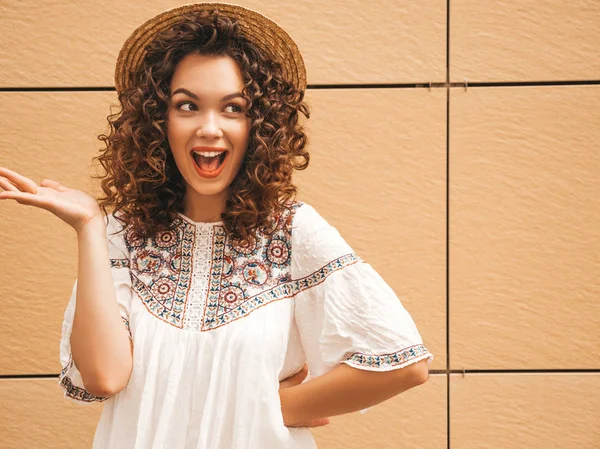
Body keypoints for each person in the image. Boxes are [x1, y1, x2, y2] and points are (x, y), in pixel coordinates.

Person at [0, 3, 433, 448]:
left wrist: (266, 409)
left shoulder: (294, 230)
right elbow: (105, 377)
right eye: (187, 105)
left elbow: (403, 364)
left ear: (259, 125)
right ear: (158, 121)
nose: (209, 127)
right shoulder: (120, 234)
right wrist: (90, 226)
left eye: (233, 108)